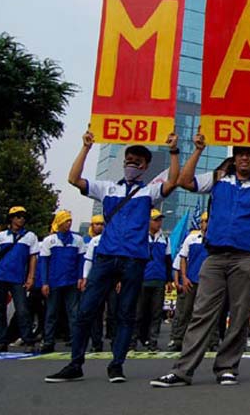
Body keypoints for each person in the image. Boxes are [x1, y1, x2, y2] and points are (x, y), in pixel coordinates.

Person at [150, 133, 250, 388]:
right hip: (215, 257)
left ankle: (227, 368)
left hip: (247, 258)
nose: (245, 157)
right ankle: (183, 370)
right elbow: (184, 181)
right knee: (201, 314)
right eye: (240, 153)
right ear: (234, 158)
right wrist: (198, 150)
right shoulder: (219, 179)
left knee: (240, 315)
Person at [45, 131, 180, 383]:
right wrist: (86, 147)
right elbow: (74, 178)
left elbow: (172, 182)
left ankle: (116, 365)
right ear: (123, 162)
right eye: (129, 160)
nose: (132, 164)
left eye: (138, 162)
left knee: (126, 314)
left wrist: (173, 151)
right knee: (85, 310)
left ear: (146, 166)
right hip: (105, 258)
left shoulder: (148, 193)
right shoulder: (107, 188)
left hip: (134, 260)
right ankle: (75, 364)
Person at [37, 210, 86, 354]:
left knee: (74, 312)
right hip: (54, 282)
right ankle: (48, 341)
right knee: (51, 313)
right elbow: (44, 263)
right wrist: (45, 283)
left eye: (70, 221)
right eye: (66, 221)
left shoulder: (78, 240)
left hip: (71, 282)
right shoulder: (49, 241)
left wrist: (80, 278)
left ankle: (74, 339)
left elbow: (81, 261)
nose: (69, 223)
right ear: (59, 222)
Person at [0, 206, 40, 352]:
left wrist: (31, 277)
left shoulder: (30, 236)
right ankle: (1, 341)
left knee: (22, 310)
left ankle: (28, 340)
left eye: (23, 216)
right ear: (11, 218)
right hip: (0, 276)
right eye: (18, 216)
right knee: (0, 310)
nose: (21, 219)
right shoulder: (1, 236)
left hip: (18, 278)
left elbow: (33, 258)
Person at [134, 209, 172, 351]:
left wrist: (169, 280)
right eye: (156, 220)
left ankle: (153, 341)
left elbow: (168, 260)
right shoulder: (141, 237)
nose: (159, 223)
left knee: (156, 314)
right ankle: (133, 342)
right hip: (143, 279)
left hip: (159, 280)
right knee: (138, 313)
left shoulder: (165, 239)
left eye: (160, 220)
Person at [171, 213, 209, 352]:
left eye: (208, 221)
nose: (206, 224)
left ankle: (209, 341)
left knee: (207, 313)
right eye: (204, 221)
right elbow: (182, 258)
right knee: (185, 311)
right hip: (192, 281)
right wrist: (184, 277)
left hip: (209, 283)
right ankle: (178, 339)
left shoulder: (216, 240)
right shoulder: (192, 238)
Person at [82, 215, 107, 352]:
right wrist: (85, 277)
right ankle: (96, 342)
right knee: (95, 311)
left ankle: (115, 341)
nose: (100, 227)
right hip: (97, 280)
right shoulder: (93, 241)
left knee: (115, 312)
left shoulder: (114, 240)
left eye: (102, 224)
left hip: (112, 280)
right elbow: (88, 260)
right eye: (97, 224)